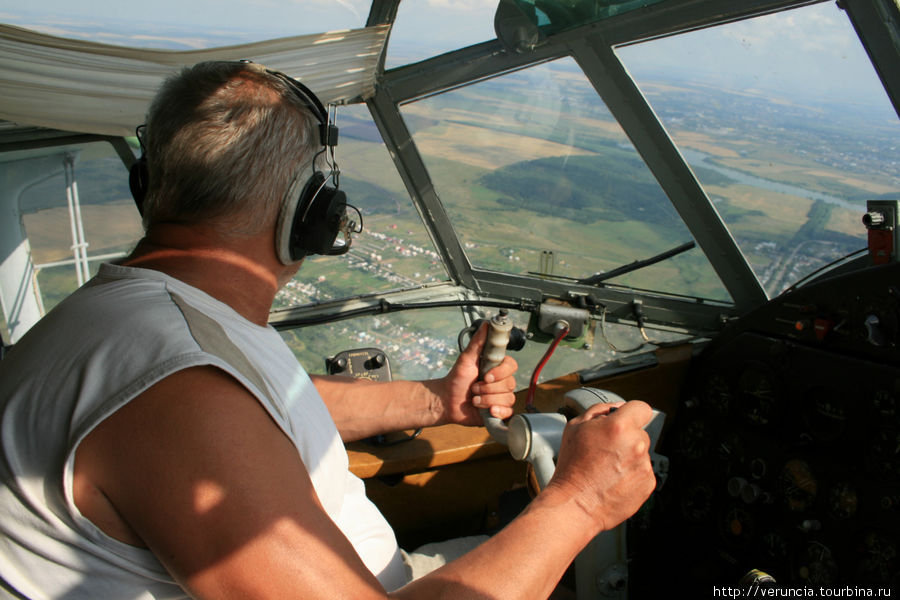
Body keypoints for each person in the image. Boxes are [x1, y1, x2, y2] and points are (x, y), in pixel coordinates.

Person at [0, 61, 656, 599]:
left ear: (152, 187)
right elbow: (215, 423)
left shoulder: (157, 318)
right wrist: (582, 500)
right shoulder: (175, 388)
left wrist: (435, 401)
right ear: (310, 211)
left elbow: (271, 410)